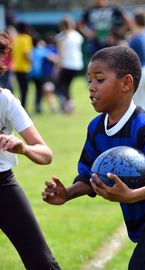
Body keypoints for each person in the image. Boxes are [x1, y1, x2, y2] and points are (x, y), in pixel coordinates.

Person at [42, 45, 145, 270]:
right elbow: (90, 174)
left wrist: (131, 195)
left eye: (99, 80)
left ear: (126, 83)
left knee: (142, 266)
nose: (91, 88)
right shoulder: (96, 128)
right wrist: (67, 193)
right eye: (89, 80)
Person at [0, 32, 60, 269]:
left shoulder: (5, 100)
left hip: (2, 185)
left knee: (41, 260)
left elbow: (46, 153)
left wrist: (23, 147)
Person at [55, 16, 84, 114]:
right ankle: (70, 104)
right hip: (77, 64)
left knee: (60, 86)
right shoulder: (77, 36)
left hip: (66, 64)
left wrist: (58, 66)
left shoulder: (60, 37)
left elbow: (61, 52)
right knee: (67, 86)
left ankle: (68, 105)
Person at [12, 22, 33, 110]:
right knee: (25, 90)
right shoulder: (26, 38)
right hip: (24, 68)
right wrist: (32, 61)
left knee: (20, 89)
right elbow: (26, 53)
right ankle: (23, 108)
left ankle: (20, 107)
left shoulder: (16, 39)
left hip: (16, 67)